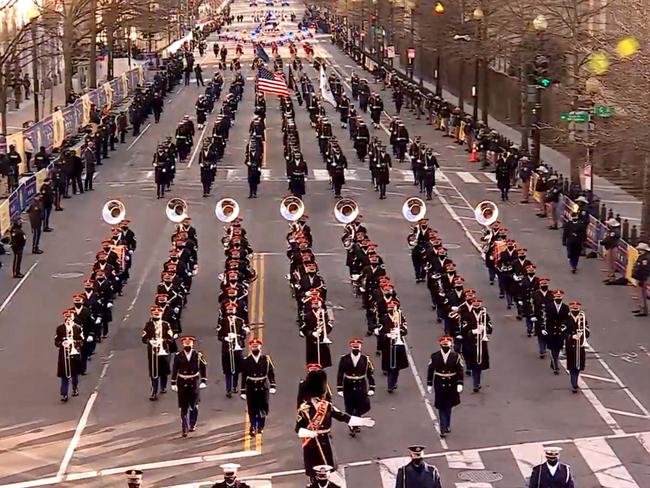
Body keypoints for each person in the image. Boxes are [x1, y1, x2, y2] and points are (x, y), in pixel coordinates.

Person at [336, 338, 375, 437]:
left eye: (357, 347)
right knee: (349, 406)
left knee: (359, 406)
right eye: (354, 347)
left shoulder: (365, 359)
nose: (355, 348)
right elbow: (340, 374)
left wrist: (372, 387)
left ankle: (356, 423)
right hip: (348, 385)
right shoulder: (344, 359)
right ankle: (352, 426)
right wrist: (339, 388)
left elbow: (370, 374)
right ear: (351, 347)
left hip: (360, 385)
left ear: (360, 347)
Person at [426, 336, 464, 438]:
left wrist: (460, 383)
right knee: (441, 406)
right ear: (440, 345)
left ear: (450, 345)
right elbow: (430, 370)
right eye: (443, 345)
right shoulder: (435, 356)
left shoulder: (456, 356)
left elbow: (460, 370)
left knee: (448, 407)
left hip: (452, 383)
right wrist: (429, 384)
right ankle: (443, 427)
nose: (445, 346)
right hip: (439, 383)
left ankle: (447, 425)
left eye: (447, 345)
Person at [170, 335, 208, 437]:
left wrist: (204, 380)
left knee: (194, 405)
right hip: (182, 382)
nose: (187, 344)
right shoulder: (178, 356)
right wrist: (173, 382)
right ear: (182, 344)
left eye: (189, 343)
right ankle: (184, 428)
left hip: (193, 382)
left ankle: (192, 423)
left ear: (192, 344)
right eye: (185, 343)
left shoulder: (197, 355)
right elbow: (175, 369)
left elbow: (203, 368)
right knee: (183, 407)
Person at [240, 338, 276, 436]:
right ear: (251, 348)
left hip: (263, 386)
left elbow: (271, 373)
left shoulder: (266, 359)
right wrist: (243, 390)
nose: (255, 348)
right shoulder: (246, 361)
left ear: (260, 347)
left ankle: (261, 425)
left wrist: (273, 384)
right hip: (251, 386)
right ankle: (253, 426)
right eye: (253, 346)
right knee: (252, 408)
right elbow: (244, 376)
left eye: (257, 346)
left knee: (263, 407)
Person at [142, 306, 174, 401]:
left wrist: (163, 340)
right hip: (152, 352)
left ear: (161, 314)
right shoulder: (148, 325)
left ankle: (163, 386)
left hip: (163, 350)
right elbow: (144, 337)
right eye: (154, 313)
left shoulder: (166, 325)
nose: (156, 314)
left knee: (164, 370)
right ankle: (154, 392)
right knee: (153, 372)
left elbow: (170, 337)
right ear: (151, 314)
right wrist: (150, 341)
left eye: (158, 313)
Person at [55, 311, 84, 402]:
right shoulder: (60, 328)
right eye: (66, 317)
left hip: (74, 353)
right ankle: (64, 394)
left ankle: (75, 388)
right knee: (64, 375)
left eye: (70, 317)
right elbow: (56, 341)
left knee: (74, 373)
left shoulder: (78, 328)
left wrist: (74, 343)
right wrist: (62, 343)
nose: (68, 319)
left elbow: (82, 341)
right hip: (64, 354)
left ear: (73, 317)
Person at [565, 302, 590, 393]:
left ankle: (575, 380)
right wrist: (572, 336)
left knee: (579, 366)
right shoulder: (567, 319)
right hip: (571, 345)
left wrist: (582, 334)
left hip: (580, 345)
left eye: (577, 309)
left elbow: (587, 331)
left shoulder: (582, 318)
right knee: (572, 366)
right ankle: (574, 384)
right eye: (574, 309)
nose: (576, 311)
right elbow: (563, 332)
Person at [631, 242, 650, 316]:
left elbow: (644, 269)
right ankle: (643, 309)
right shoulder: (644, 256)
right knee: (641, 294)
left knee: (641, 294)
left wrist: (642, 280)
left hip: (642, 278)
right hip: (640, 277)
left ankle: (643, 309)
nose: (638, 250)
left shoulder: (645, 258)